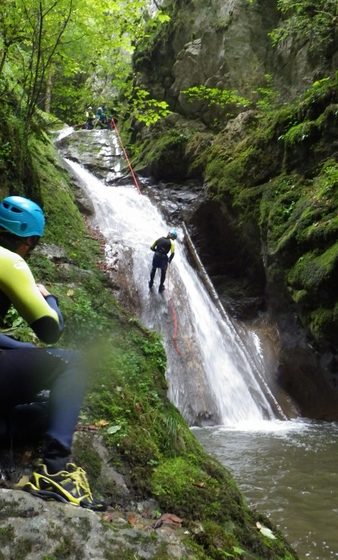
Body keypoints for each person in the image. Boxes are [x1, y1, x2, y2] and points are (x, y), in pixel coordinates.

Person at [0, 195, 102, 510]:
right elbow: (50, 330)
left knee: (42, 407)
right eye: (33, 245)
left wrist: (22, 349)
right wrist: (51, 297)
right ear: (26, 241)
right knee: (73, 361)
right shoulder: (9, 261)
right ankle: (55, 468)